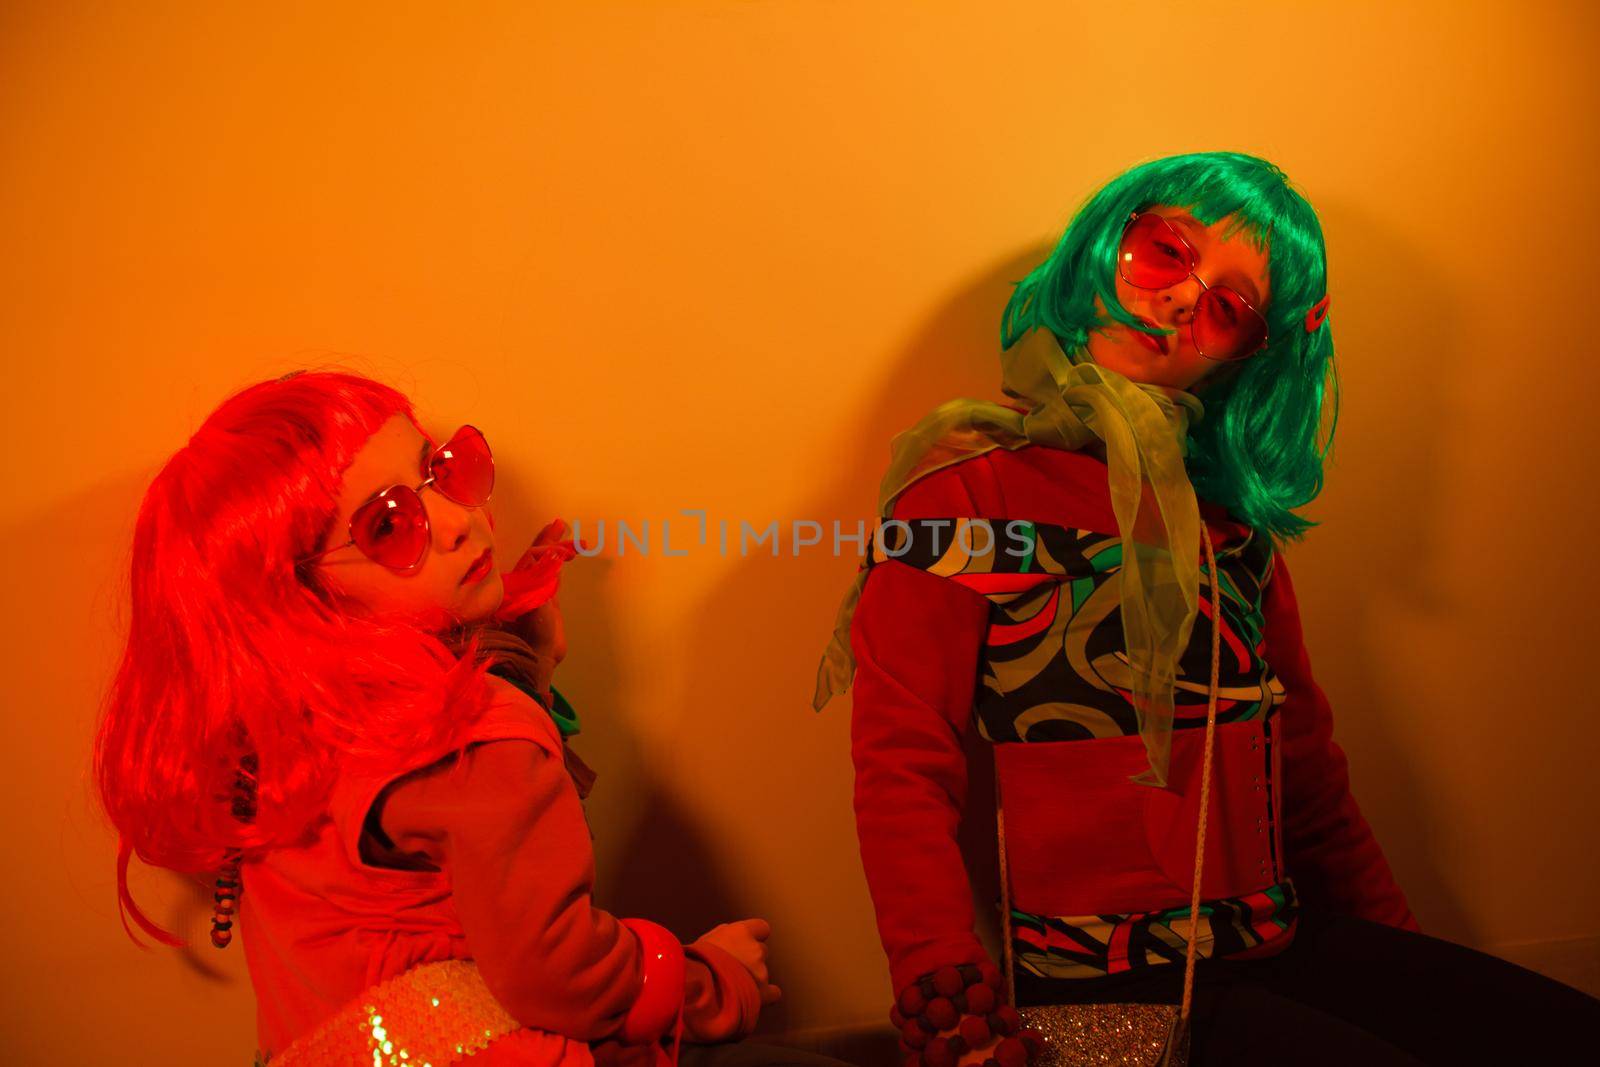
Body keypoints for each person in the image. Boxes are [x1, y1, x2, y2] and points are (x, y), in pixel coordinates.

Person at [814, 151, 1600, 1065]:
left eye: (1231, 307)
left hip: (1275, 943)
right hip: (1095, 998)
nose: (1185, 300)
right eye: (1164, 251)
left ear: (1249, 357)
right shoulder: (963, 493)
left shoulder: (1229, 525)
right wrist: (941, 985)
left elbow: (1307, 773)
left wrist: (1402, 956)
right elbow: (904, 765)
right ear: (1107, 238)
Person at [95, 370, 830, 1067]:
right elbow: (563, 973)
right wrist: (709, 978)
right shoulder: (480, 735)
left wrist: (520, 667)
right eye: (388, 525)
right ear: (303, 599)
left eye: (442, 470)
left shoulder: (276, 734)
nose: (457, 521)